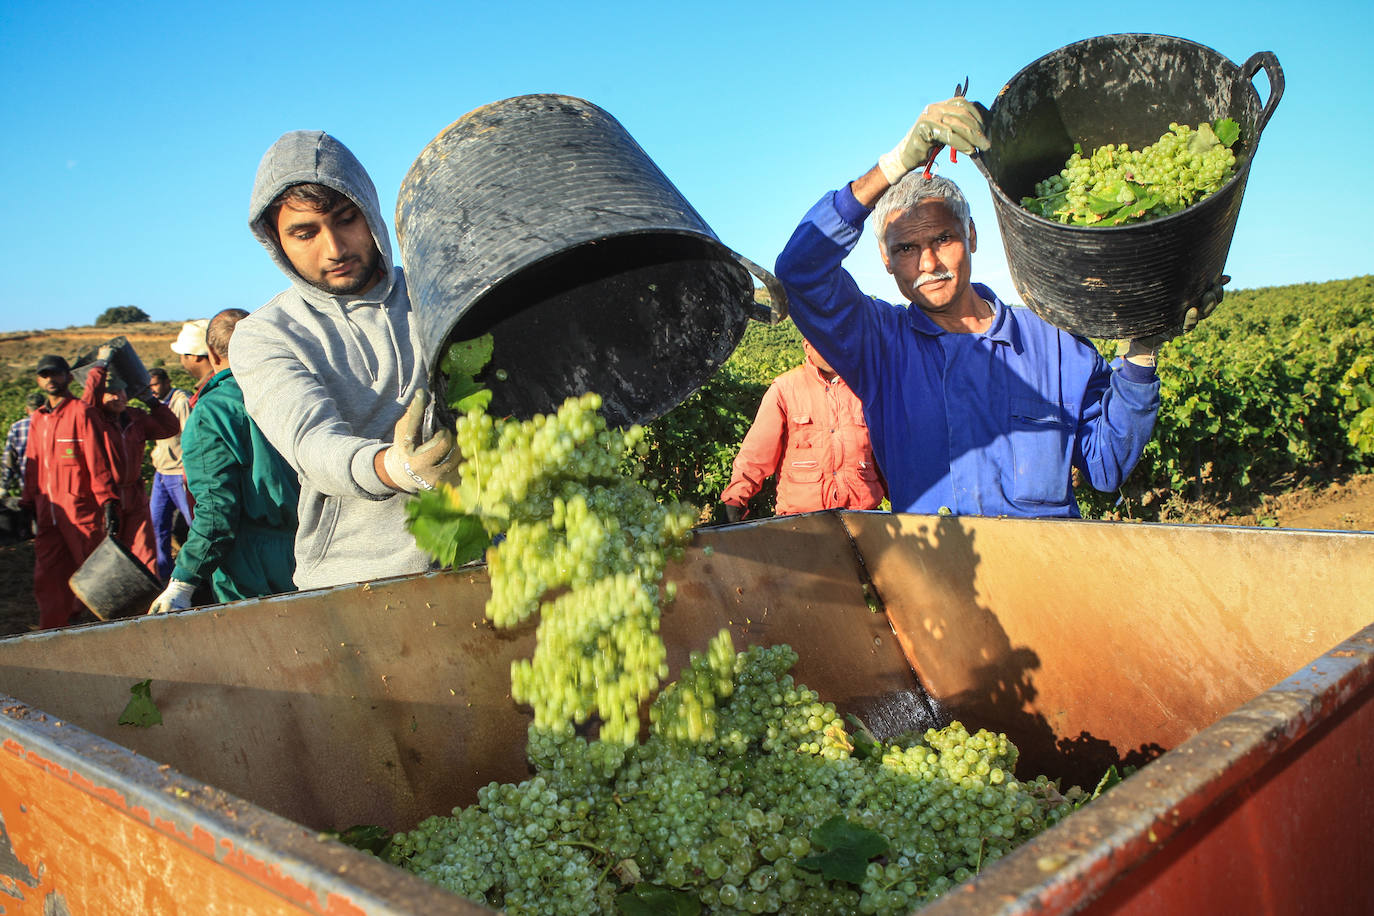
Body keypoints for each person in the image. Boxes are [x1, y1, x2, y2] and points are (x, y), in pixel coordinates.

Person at [774, 96, 1221, 518]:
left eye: (943, 239)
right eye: (907, 248)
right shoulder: (880, 346)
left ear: (971, 236)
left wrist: (1141, 353)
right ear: (886, 260)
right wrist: (894, 165)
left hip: (1047, 579)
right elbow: (799, 271)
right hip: (941, 580)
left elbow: (1105, 467)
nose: (928, 263)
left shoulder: (1055, 340)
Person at [232, 130, 454, 591]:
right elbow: (312, 443)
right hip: (360, 581)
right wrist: (394, 468)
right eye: (304, 233)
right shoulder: (266, 335)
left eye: (346, 219)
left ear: (370, 213)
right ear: (276, 241)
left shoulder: (441, 294)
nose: (333, 249)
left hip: (486, 561)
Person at [148, 309, 300, 613]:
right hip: (313, 545)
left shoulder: (211, 411)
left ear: (212, 355)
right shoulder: (295, 389)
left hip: (252, 563)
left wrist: (183, 581)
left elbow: (217, 513)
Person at [720, 339, 886, 522]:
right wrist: (735, 498)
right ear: (806, 346)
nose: (830, 346)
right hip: (801, 521)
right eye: (822, 340)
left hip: (863, 518)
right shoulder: (785, 389)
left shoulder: (867, 390)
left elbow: (888, 456)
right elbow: (757, 451)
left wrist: (907, 500)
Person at [21, 355, 120, 628]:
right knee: (48, 575)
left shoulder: (81, 412)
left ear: (66, 377)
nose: (50, 379)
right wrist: (27, 502)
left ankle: (113, 624)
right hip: (47, 513)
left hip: (81, 511)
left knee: (94, 571)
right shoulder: (37, 420)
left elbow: (96, 461)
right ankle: (53, 628)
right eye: (44, 375)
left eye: (55, 374)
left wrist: (108, 500)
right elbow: (32, 466)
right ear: (39, 380)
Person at [80, 343, 181, 576]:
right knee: (109, 556)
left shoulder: (135, 418)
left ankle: (148, 605)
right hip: (107, 499)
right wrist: (101, 365)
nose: (118, 397)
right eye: (111, 393)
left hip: (134, 497)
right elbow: (86, 403)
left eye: (121, 391)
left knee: (145, 552)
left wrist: (152, 401)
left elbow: (169, 427)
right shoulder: (94, 420)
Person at [147, 366, 193, 581]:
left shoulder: (180, 401)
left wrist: (188, 471)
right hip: (161, 472)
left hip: (179, 472)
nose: (152, 389)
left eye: (155, 384)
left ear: (167, 382)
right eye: (150, 386)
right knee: (157, 525)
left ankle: (200, 576)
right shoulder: (156, 405)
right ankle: (163, 575)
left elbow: (189, 436)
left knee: (194, 524)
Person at [2, 393, 44, 495]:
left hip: (27, 484)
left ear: (27, 409)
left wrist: (4, 485)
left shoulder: (17, 427)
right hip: (54, 485)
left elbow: (9, 459)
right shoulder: (54, 424)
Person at [171, 319, 214, 405]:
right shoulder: (227, 383)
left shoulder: (209, 394)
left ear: (194, 356)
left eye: (182, 355)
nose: (181, 361)